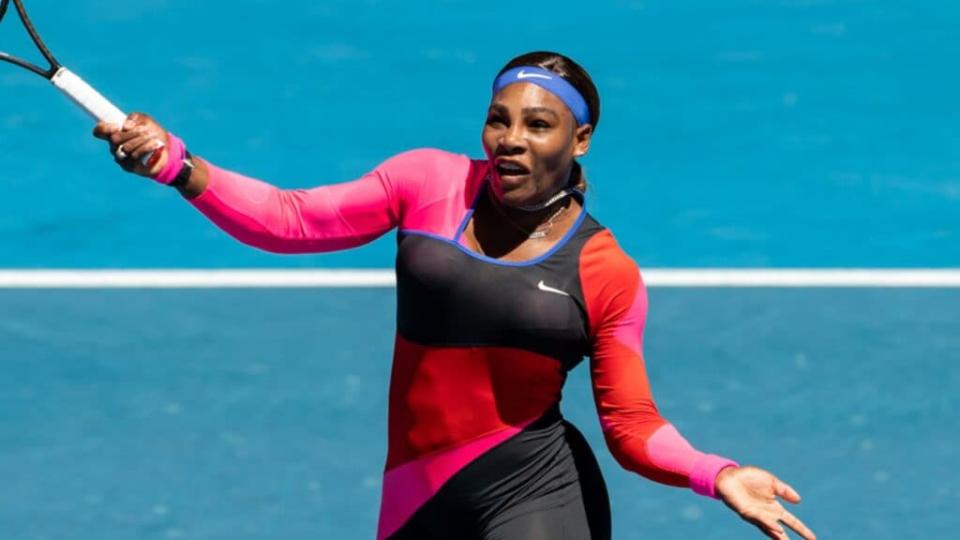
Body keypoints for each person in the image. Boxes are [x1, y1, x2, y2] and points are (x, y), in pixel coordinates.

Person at [94, 51, 816, 540]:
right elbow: (293, 220)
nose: (510, 139)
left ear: (581, 140)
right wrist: (175, 164)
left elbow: (630, 426)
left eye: (538, 125)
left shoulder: (604, 269)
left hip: (536, 496)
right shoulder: (428, 182)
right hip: (413, 496)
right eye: (500, 119)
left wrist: (716, 473)